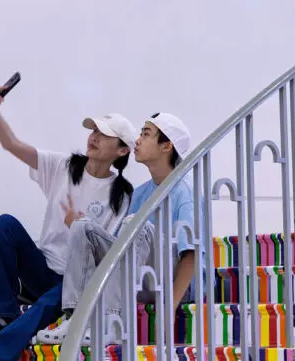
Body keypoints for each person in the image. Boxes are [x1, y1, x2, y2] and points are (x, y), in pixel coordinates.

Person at [0, 84, 137, 361]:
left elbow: (108, 255)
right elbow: (11, 144)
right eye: (93, 131)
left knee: (48, 304)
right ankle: (3, 316)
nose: (94, 137)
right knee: (4, 225)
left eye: (103, 134)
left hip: (76, 284)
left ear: (122, 150)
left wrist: (81, 225)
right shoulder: (63, 167)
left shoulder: (121, 195)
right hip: (42, 269)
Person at [36, 112, 199, 344]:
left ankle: (111, 322)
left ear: (167, 146)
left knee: (135, 224)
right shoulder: (140, 193)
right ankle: (76, 316)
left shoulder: (184, 193)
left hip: (176, 284)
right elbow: (114, 252)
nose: (138, 140)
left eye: (146, 134)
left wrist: (170, 305)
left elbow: (191, 254)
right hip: (142, 279)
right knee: (83, 227)